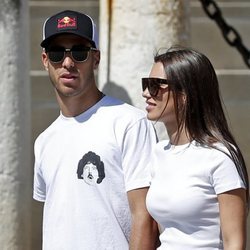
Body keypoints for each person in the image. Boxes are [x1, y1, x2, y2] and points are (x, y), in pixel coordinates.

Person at [33, 10, 159, 250]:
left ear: (96, 58)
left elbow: (146, 219)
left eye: (79, 52)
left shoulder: (130, 123)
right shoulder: (44, 141)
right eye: (57, 53)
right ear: (45, 60)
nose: (68, 63)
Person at [142, 46, 249, 249]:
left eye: (155, 85)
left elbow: (234, 243)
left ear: (185, 94)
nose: (146, 93)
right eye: (146, 84)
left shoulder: (219, 156)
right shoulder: (159, 152)